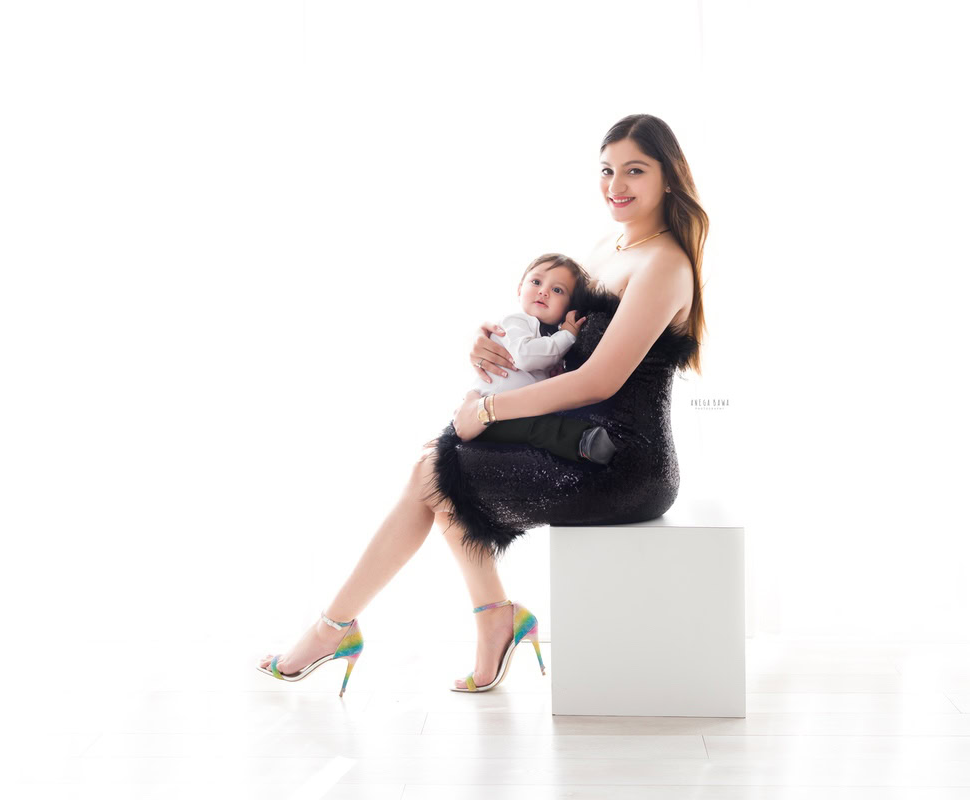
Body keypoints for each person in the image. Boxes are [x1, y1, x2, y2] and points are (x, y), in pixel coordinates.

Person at [257, 113, 708, 695]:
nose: (615, 184)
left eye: (635, 171)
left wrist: (490, 413)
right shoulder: (610, 245)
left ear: (669, 177)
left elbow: (598, 379)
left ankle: (342, 628)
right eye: (606, 170)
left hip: (620, 462)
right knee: (436, 468)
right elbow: (553, 334)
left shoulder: (664, 263)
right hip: (572, 435)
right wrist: (493, 342)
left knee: (434, 471)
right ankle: (473, 619)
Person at [468, 252, 617, 465]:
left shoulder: (546, 335)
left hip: (514, 410)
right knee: (538, 428)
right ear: (520, 289)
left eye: (557, 290)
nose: (543, 291)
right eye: (536, 282)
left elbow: (539, 377)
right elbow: (525, 357)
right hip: (490, 418)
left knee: (536, 426)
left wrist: (552, 373)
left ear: (569, 308)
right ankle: (582, 440)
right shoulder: (515, 321)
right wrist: (567, 335)